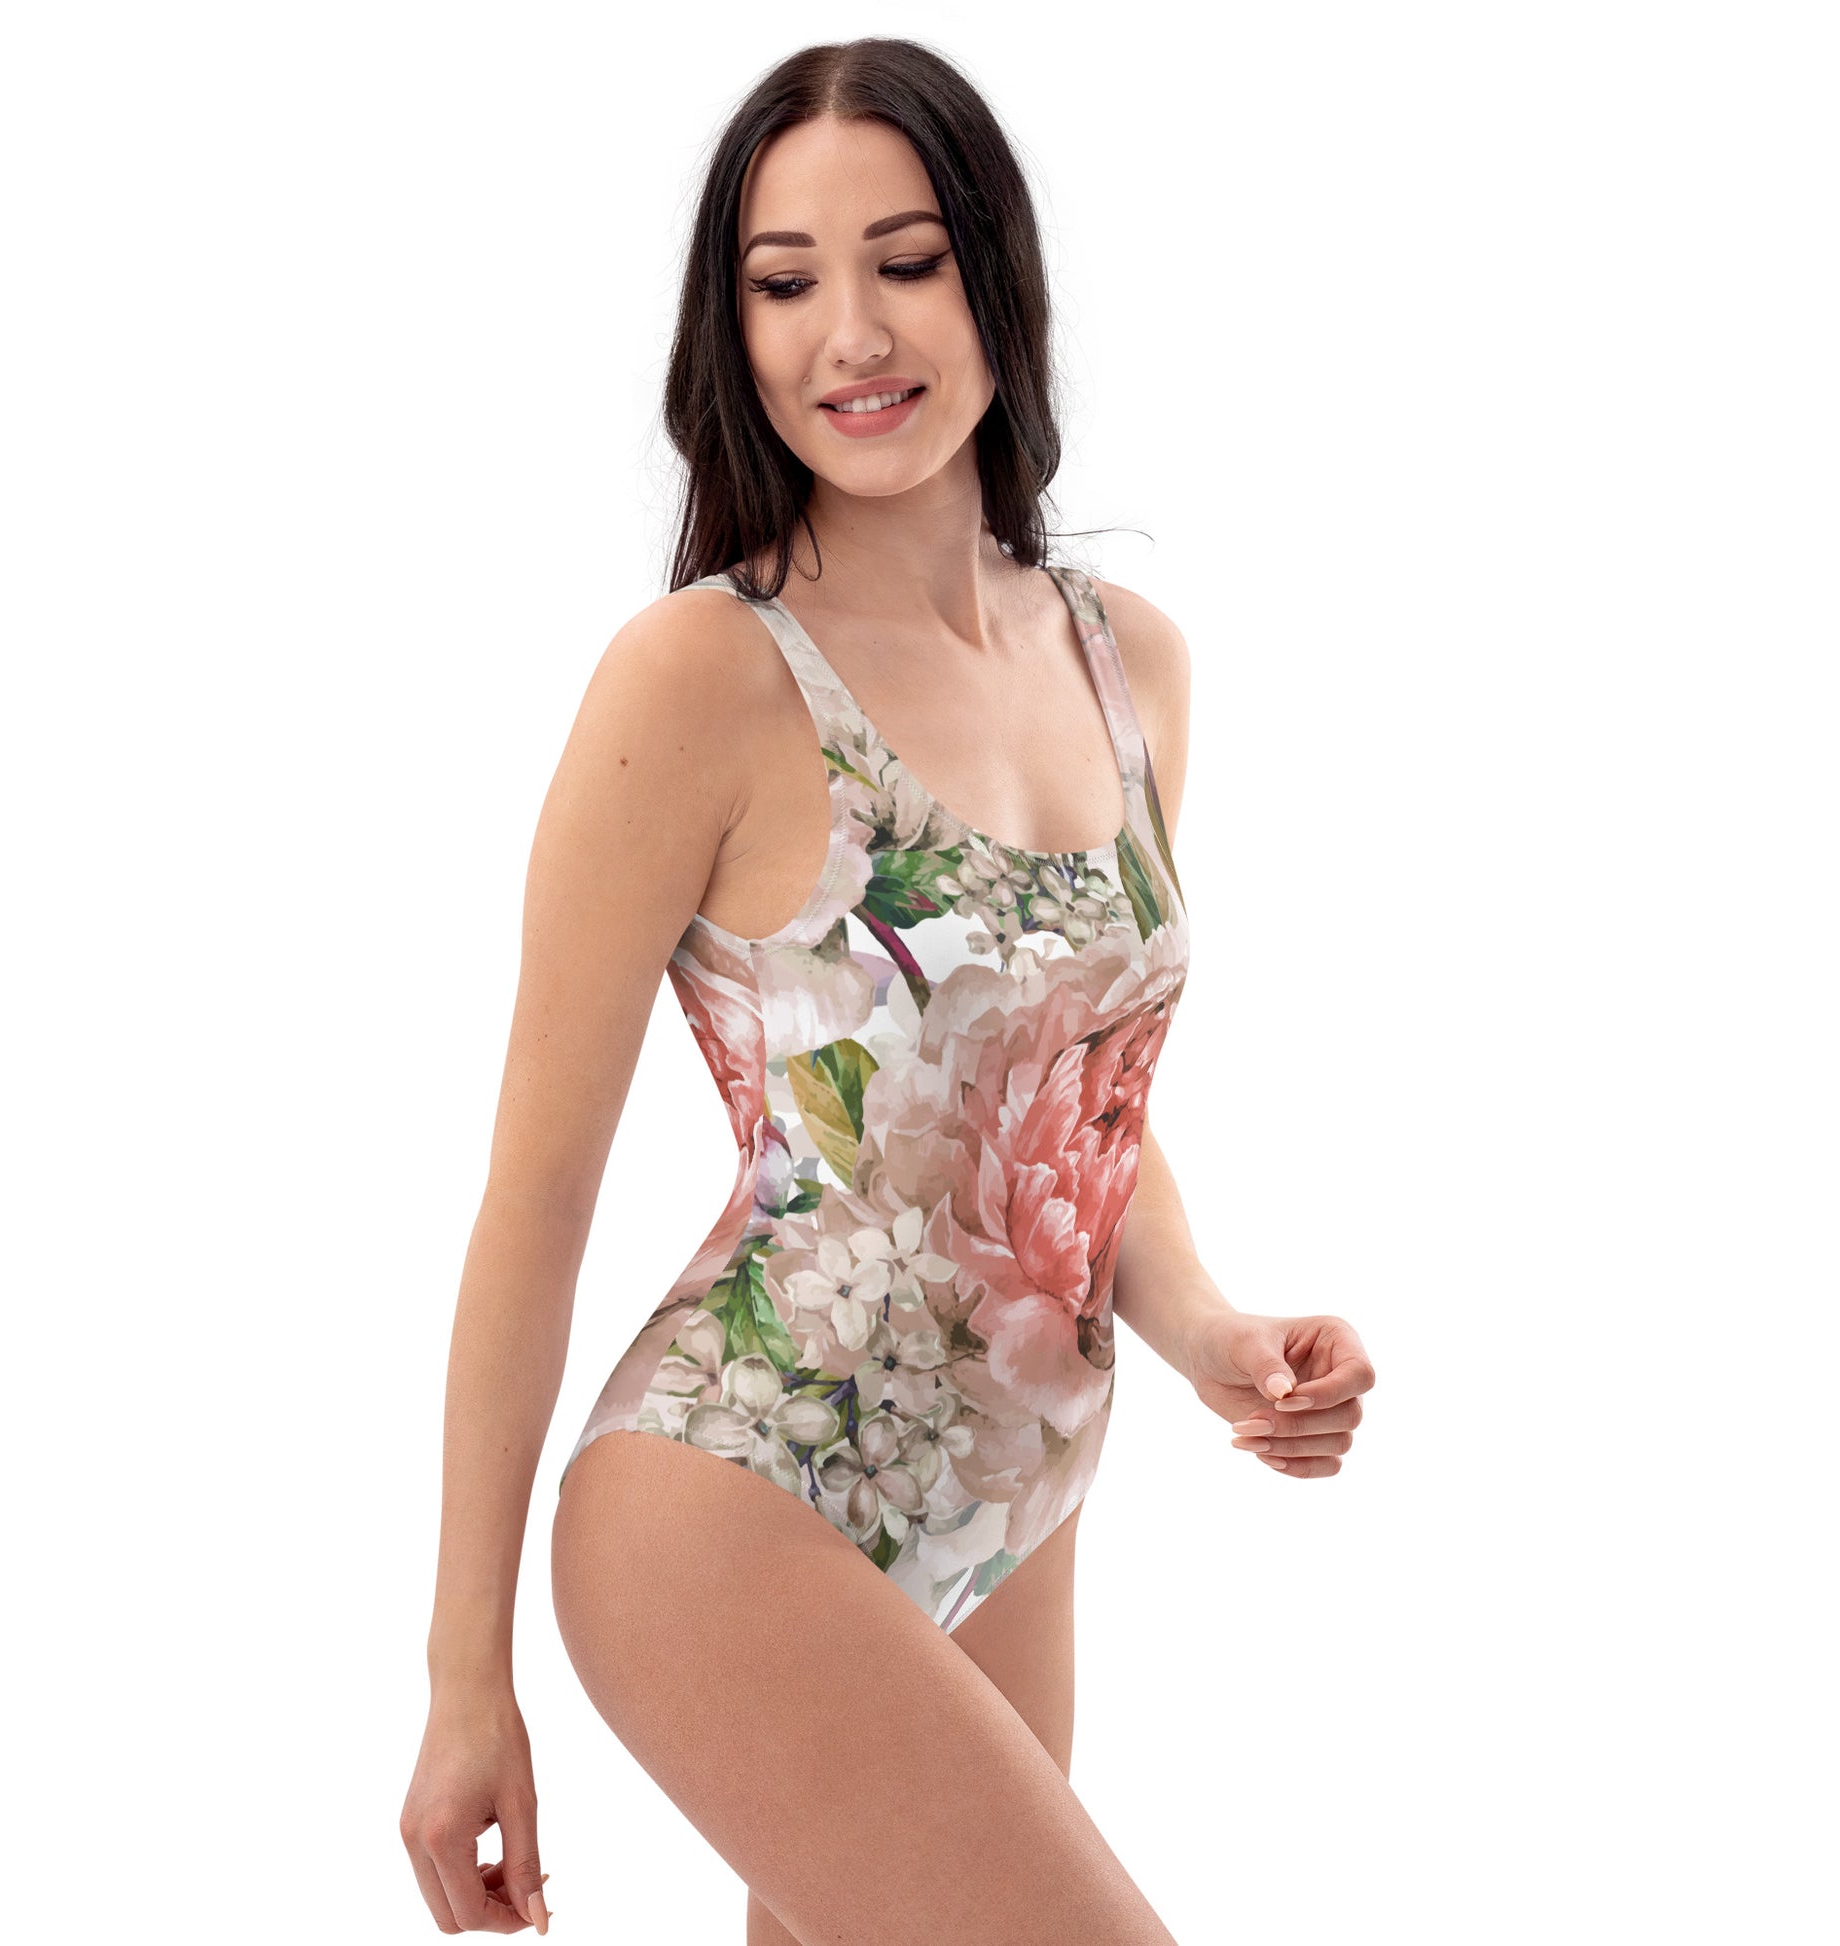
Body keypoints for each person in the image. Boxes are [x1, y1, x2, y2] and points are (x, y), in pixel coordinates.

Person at [399, 36, 1376, 1944]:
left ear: (994, 275)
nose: (849, 332)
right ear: (735, 329)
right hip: (734, 1492)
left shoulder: (1130, 661)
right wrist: (462, 1682)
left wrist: (1209, 1331)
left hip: (1014, 1496)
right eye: (784, 283)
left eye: (905, 260)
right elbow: (535, 1200)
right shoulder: (700, 676)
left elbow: (1073, 1097)